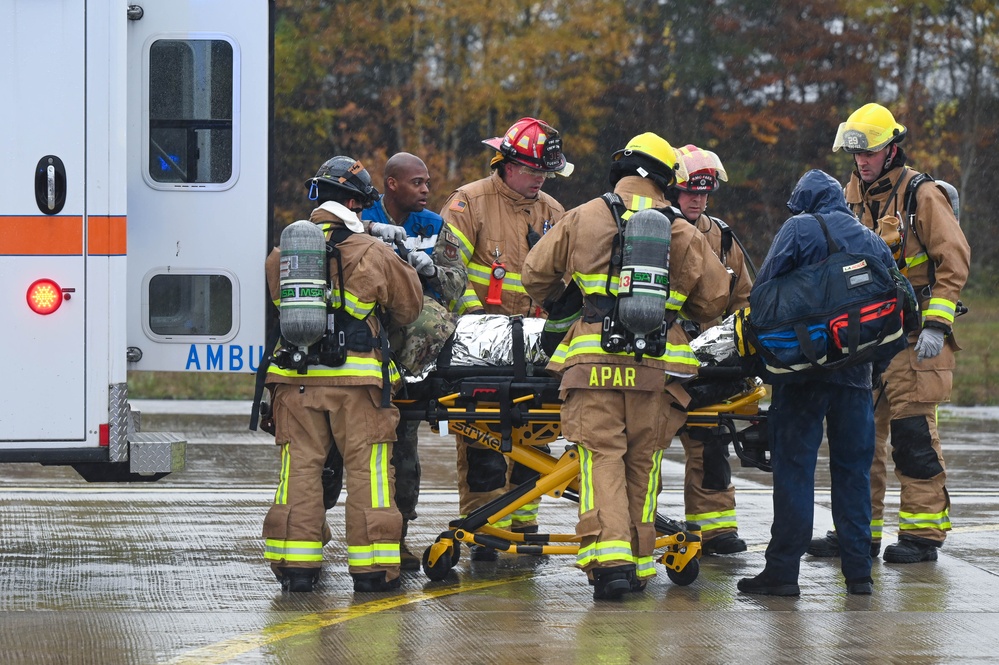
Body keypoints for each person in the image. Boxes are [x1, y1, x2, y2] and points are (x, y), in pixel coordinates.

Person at [522, 132, 731, 600]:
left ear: (621, 169)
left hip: (591, 362)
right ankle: (638, 562)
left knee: (602, 460)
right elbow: (716, 297)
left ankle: (610, 560)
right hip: (659, 370)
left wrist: (570, 303)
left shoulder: (584, 216)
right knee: (644, 461)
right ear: (665, 179)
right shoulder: (684, 230)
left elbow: (534, 273)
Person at [808, 103, 971, 563]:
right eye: (856, 153)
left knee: (913, 437)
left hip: (916, 339)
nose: (861, 161)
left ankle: (922, 537)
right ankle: (858, 532)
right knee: (858, 441)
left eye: (870, 152)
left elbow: (954, 259)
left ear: (891, 149)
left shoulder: (921, 194)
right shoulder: (850, 193)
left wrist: (938, 323)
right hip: (866, 341)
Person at [262, 156, 423, 593]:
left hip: (295, 381)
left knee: (299, 469)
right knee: (367, 472)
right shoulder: (371, 252)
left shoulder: (284, 256)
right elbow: (410, 307)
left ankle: (296, 568)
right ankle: (373, 571)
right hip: (357, 386)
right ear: (356, 202)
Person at [737, 169, 898, 597]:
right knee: (852, 473)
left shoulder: (798, 228)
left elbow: (762, 295)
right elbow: (895, 301)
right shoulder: (871, 238)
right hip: (857, 377)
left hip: (803, 374)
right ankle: (859, 575)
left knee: (795, 470)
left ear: (803, 203)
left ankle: (783, 573)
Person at [440, 117, 571, 560]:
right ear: (507, 163)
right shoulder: (468, 204)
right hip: (482, 349)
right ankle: (484, 528)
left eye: (545, 174)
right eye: (533, 171)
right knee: (484, 442)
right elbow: (446, 278)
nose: (539, 181)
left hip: (534, 348)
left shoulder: (554, 213)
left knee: (534, 436)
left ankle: (523, 524)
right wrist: (476, 328)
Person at [360, 152, 467, 570]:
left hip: (408, 364)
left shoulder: (434, 227)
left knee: (403, 454)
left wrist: (429, 272)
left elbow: (457, 284)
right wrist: (369, 232)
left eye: (427, 182)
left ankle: (397, 537)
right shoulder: (360, 216)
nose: (426, 190)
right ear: (391, 184)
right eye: (417, 182)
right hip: (365, 355)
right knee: (342, 460)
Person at [671, 145, 754, 555]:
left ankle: (715, 529)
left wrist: (741, 355)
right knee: (641, 447)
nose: (697, 200)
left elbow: (744, 300)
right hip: (660, 359)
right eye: (689, 191)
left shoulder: (721, 236)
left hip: (710, 365)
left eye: (704, 193)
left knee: (713, 443)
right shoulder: (653, 228)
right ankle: (634, 526)